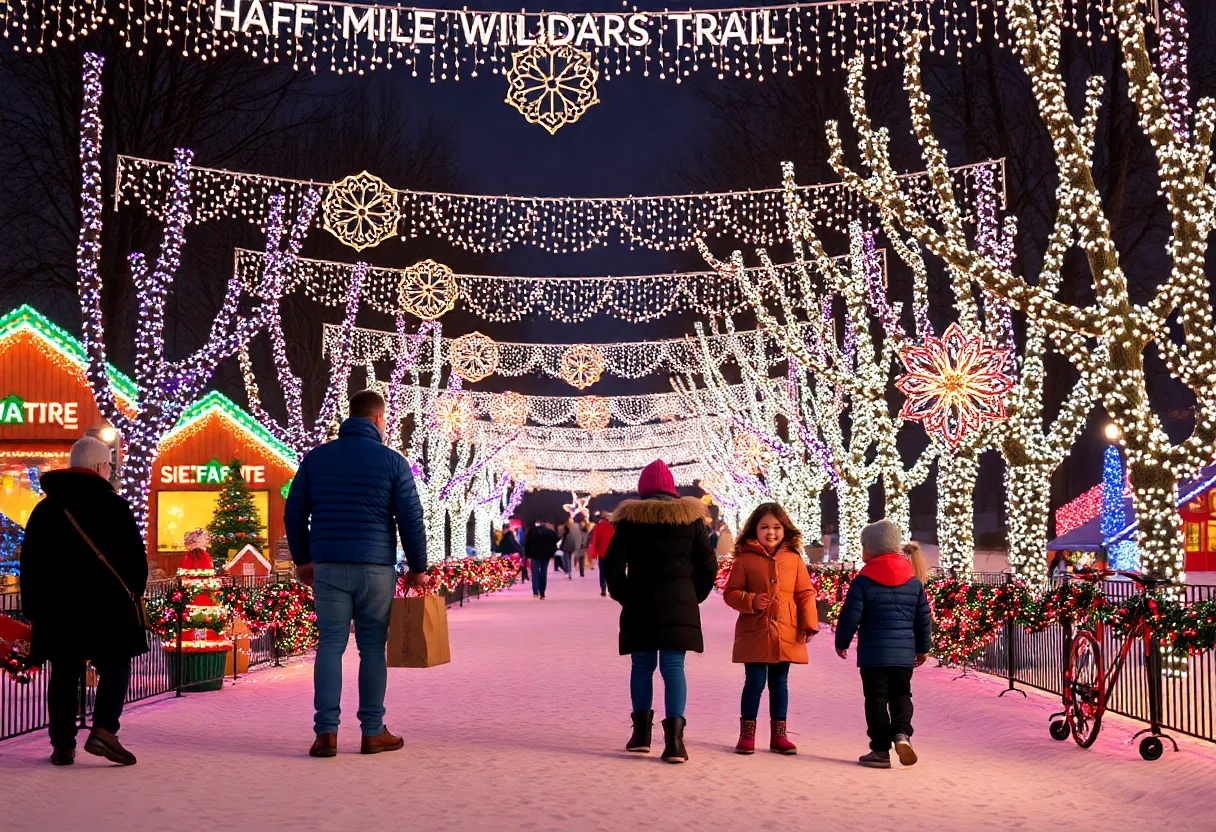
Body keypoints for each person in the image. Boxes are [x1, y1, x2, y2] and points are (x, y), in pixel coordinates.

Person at [285, 389, 428, 759]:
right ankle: (372, 730)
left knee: (330, 645)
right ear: (379, 419)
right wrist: (418, 568)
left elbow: (294, 512)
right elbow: (411, 518)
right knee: (371, 649)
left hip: (328, 566)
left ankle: (326, 733)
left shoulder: (316, 459)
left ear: (349, 416)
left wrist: (303, 558)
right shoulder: (393, 463)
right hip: (375, 568)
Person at [20, 436, 148, 766]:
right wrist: (134, 591)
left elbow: (30, 564)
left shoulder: (46, 509)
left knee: (64, 672)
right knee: (115, 665)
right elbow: (136, 561)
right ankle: (104, 730)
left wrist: (33, 610)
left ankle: (62, 744)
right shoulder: (114, 507)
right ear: (100, 467)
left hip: (57, 611)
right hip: (108, 610)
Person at [602, 460, 717, 764]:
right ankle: (675, 743)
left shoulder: (631, 520)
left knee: (642, 667)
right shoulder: (691, 521)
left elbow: (611, 563)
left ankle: (641, 736)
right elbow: (708, 566)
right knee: (673, 668)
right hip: (679, 603)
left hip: (640, 601)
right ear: (671, 488)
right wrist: (693, 597)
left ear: (642, 489)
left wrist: (625, 595)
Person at [834, 519, 932, 769]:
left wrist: (842, 641)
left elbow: (850, 615)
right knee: (901, 694)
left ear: (872, 548)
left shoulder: (863, 581)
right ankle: (901, 733)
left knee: (876, 699)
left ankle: (879, 750)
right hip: (903, 655)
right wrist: (923, 648)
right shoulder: (913, 581)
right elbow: (923, 618)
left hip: (873, 655)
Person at [723, 502, 818, 755]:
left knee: (780, 683)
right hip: (755, 629)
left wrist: (808, 624)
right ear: (755, 529)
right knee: (754, 682)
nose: (771, 532)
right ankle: (747, 734)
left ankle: (780, 735)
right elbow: (731, 593)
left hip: (786, 630)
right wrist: (750, 600)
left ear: (785, 529)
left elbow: (805, 592)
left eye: (776, 527)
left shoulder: (794, 559)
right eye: (764, 527)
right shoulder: (745, 559)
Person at [524, 519, 559, 599]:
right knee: (543, 572)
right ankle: (542, 591)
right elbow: (555, 542)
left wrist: (527, 554)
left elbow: (527, 543)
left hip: (534, 554)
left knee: (535, 572)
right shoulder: (550, 532)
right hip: (545, 555)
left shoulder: (532, 532)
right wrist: (551, 553)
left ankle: (535, 591)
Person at [587, 513, 616, 597]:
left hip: (602, 552)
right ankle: (611, 589)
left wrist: (594, 552)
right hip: (613, 552)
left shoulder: (599, 526)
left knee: (603, 572)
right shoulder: (616, 526)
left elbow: (595, 539)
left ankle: (603, 588)